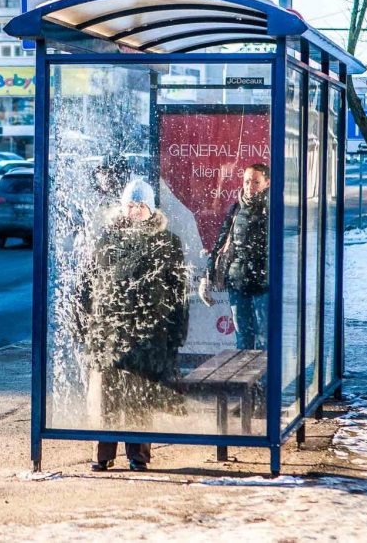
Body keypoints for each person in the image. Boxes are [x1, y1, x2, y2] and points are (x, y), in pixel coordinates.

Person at [76, 178, 189, 472]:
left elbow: (178, 291)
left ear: (150, 209)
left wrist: (177, 332)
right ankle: (103, 454)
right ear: (123, 207)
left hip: (148, 332)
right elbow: (89, 283)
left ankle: (138, 455)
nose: (135, 210)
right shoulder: (107, 238)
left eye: (140, 205)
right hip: (110, 331)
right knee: (108, 397)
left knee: (140, 396)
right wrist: (83, 322)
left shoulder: (167, 242)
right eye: (130, 204)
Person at [199, 163, 270, 350]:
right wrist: (207, 277)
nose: (250, 186)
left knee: (264, 340)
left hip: (263, 283)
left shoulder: (272, 209)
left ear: (267, 183)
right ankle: (247, 379)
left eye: (256, 182)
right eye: (247, 181)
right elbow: (220, 244)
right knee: (243, 340)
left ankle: (263, 380)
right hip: (238, 282)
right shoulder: (237, 208)